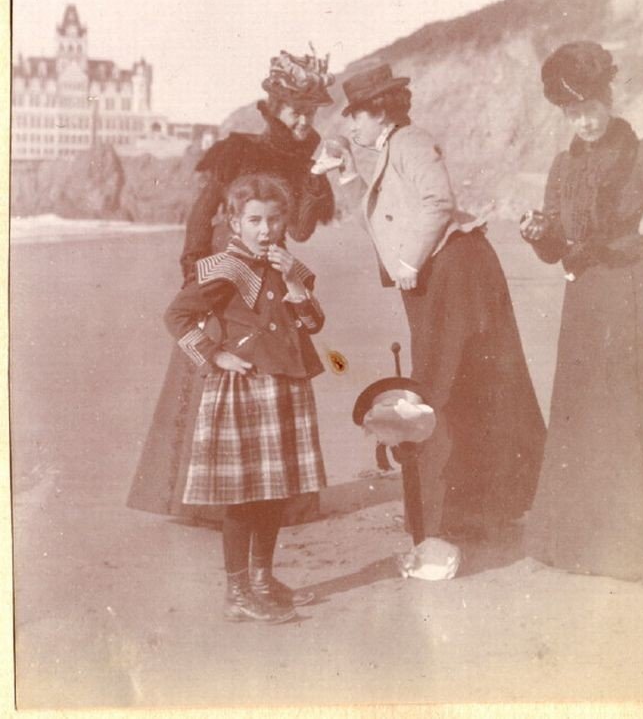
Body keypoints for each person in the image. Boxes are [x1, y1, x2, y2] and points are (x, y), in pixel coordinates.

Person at [520, 41, 643, 582]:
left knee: (633, 420)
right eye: (571, 112)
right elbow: (558, 246)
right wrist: (538, 235)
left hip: (635, 297)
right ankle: (586, 546)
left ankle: (640, 552)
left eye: (590, 107)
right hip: (585, 300)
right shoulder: (563, 166)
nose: (583, 121)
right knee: (585, 420)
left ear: (608, 98)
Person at [335, 62, 546, 549]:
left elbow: (438, 202)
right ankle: (470, 508)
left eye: (355, 116)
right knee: (461, 384)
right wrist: (347, 178)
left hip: (456, 272)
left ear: (380, 114)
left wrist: (410, 260)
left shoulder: (409, 142)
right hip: (440, 275)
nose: (350, 126)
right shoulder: (393, 148)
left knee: (449, 384)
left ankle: (465, 510)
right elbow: (384, 228)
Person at [127, 49, 335, 538]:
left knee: (272, 373)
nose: (303, 121)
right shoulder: (238, 149)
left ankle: (276, 494)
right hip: (224, 263)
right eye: (294, 110)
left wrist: (319, 176)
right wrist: (192, 270)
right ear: (273, 107)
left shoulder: (312, 154)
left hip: (269, 266)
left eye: (310, 112)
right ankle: (209, 501)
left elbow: (301, 229)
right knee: (219, 368)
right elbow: (202, 215)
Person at [163, 173, 327, 621]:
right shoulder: (227, 268)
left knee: (274, 490)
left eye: (274, 220)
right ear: (234, 222)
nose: (265, 229)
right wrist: (213, 355)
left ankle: (261, 579)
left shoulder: (287, 264)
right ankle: (236, 592)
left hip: (285, 386)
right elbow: (177, 315)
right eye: (254, 220)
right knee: (243, 495)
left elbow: (313, 325)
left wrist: (295, 286)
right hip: (244, 388)